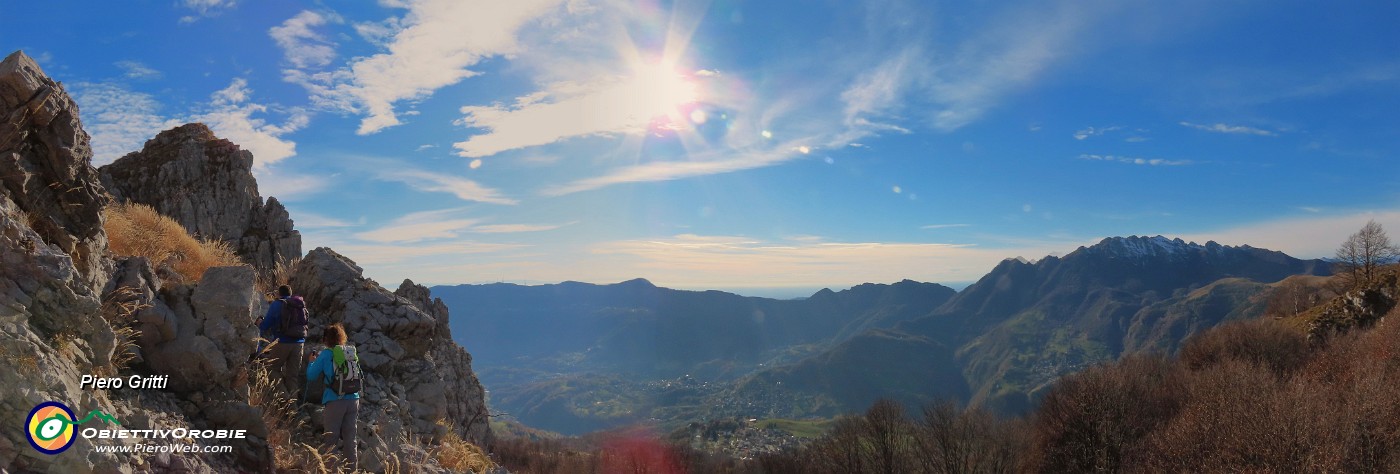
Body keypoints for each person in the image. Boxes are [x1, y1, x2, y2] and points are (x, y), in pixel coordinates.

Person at [306, 323, 360, 471]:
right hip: (354, 398)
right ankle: (352, 470)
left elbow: (311, 376)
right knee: (350, 438)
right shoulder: (349, 352)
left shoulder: (326, 354)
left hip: (335, 399)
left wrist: (311, 362)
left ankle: (332, 470)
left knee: (331, 438)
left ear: (325, 339)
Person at [258, 285, 307, 399]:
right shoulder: (299, 305)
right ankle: (294, 410)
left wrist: (260, 323)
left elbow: (266, 325)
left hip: (283, 342)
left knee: (271, 369)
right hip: (299, 343)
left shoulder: (277, 304)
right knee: (292, 376)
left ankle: (286, 400)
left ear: (279, 294)